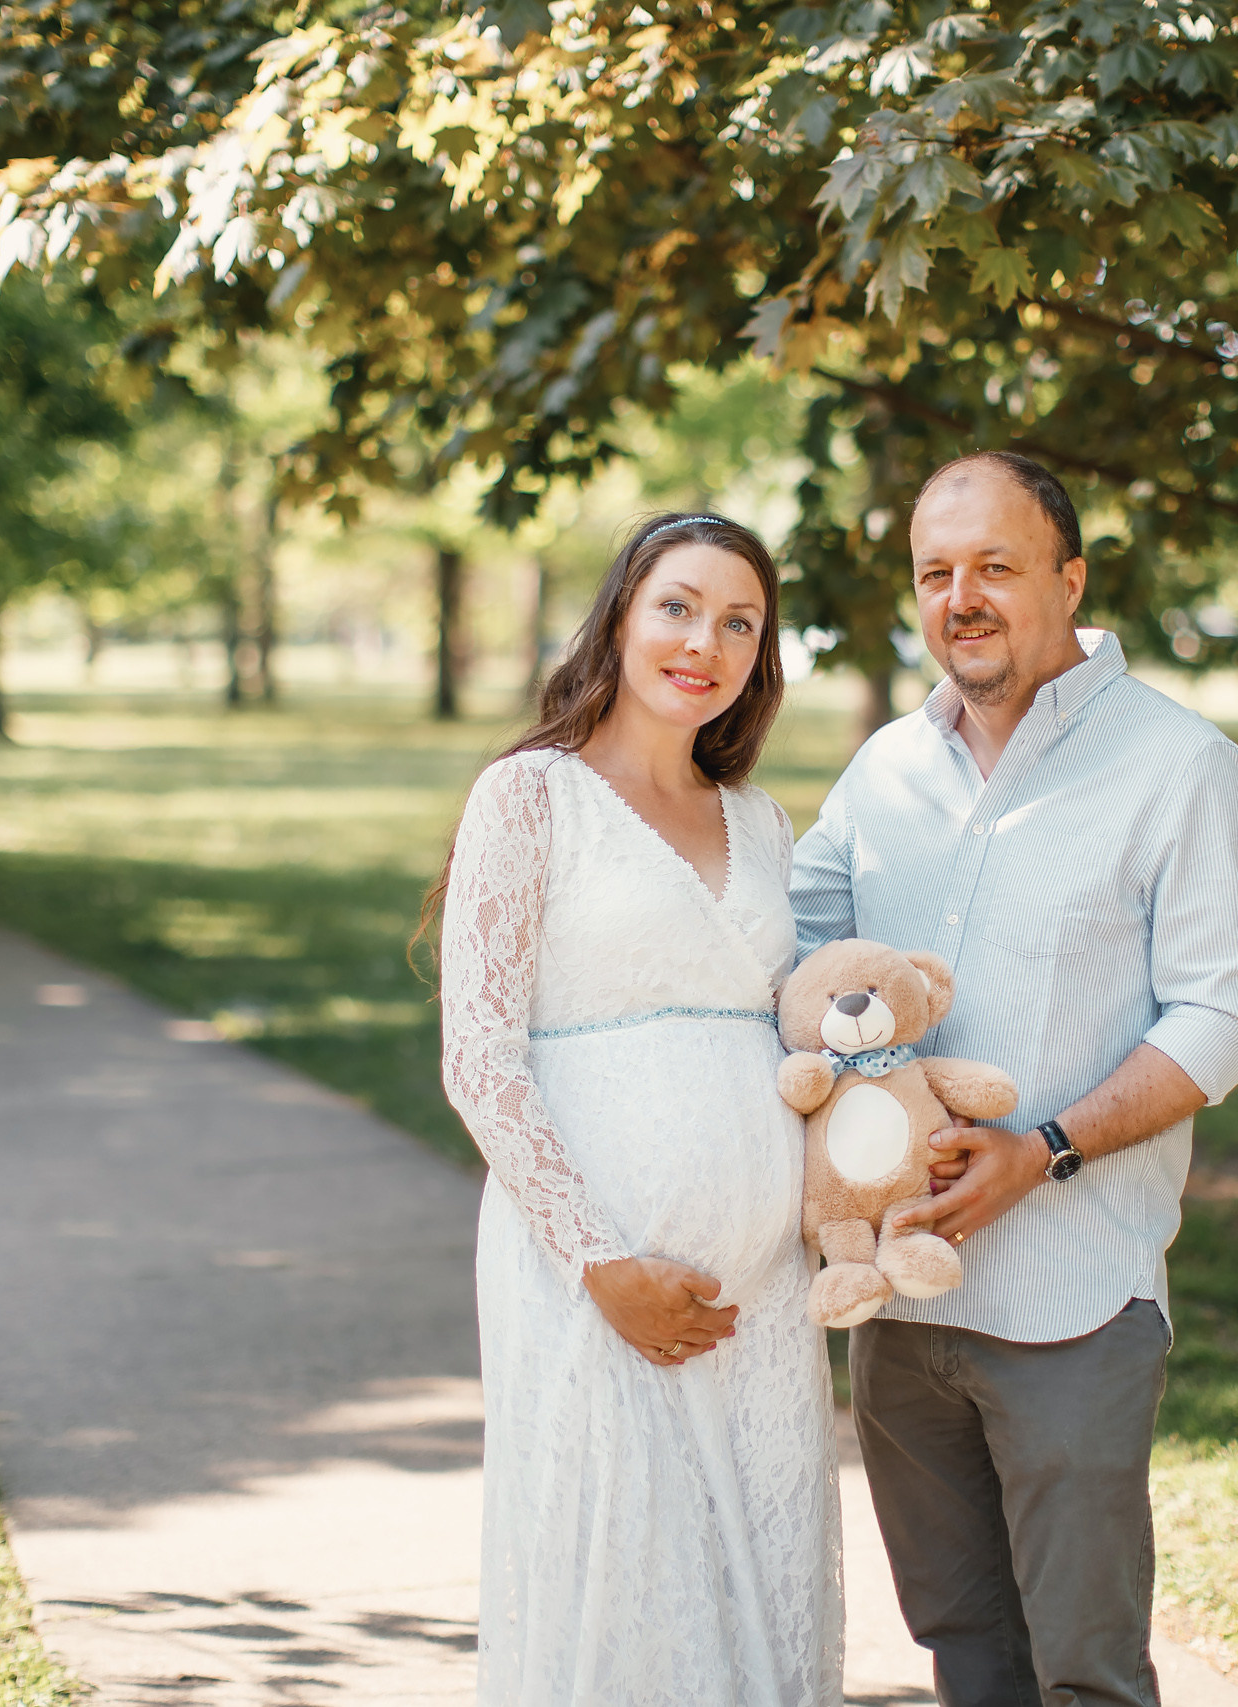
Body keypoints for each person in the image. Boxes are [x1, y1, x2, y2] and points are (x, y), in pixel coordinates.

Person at [790, 452, 1238, 1707]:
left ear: (1069, 580)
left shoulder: (1180, 765)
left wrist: (1045, 1147)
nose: (961, 598)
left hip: (1071, 1303)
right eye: (935, 573)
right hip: (900, 1308)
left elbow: (1225, 1011)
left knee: (1086, 1675)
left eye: (995, 568)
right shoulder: (885, 769)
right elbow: (788, 953)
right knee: (962, 1648)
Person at [435, 513, 843, 1707]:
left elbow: (795, 1034)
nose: (701, 642)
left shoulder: (758, 820)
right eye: (677, 605)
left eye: (738, 623)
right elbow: (479, 1056)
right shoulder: (531, 798)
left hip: (759, 1300)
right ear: (620, 612)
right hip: (594, 1282)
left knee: (760, 1584)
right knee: (621, 1588)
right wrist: (598, 1260)